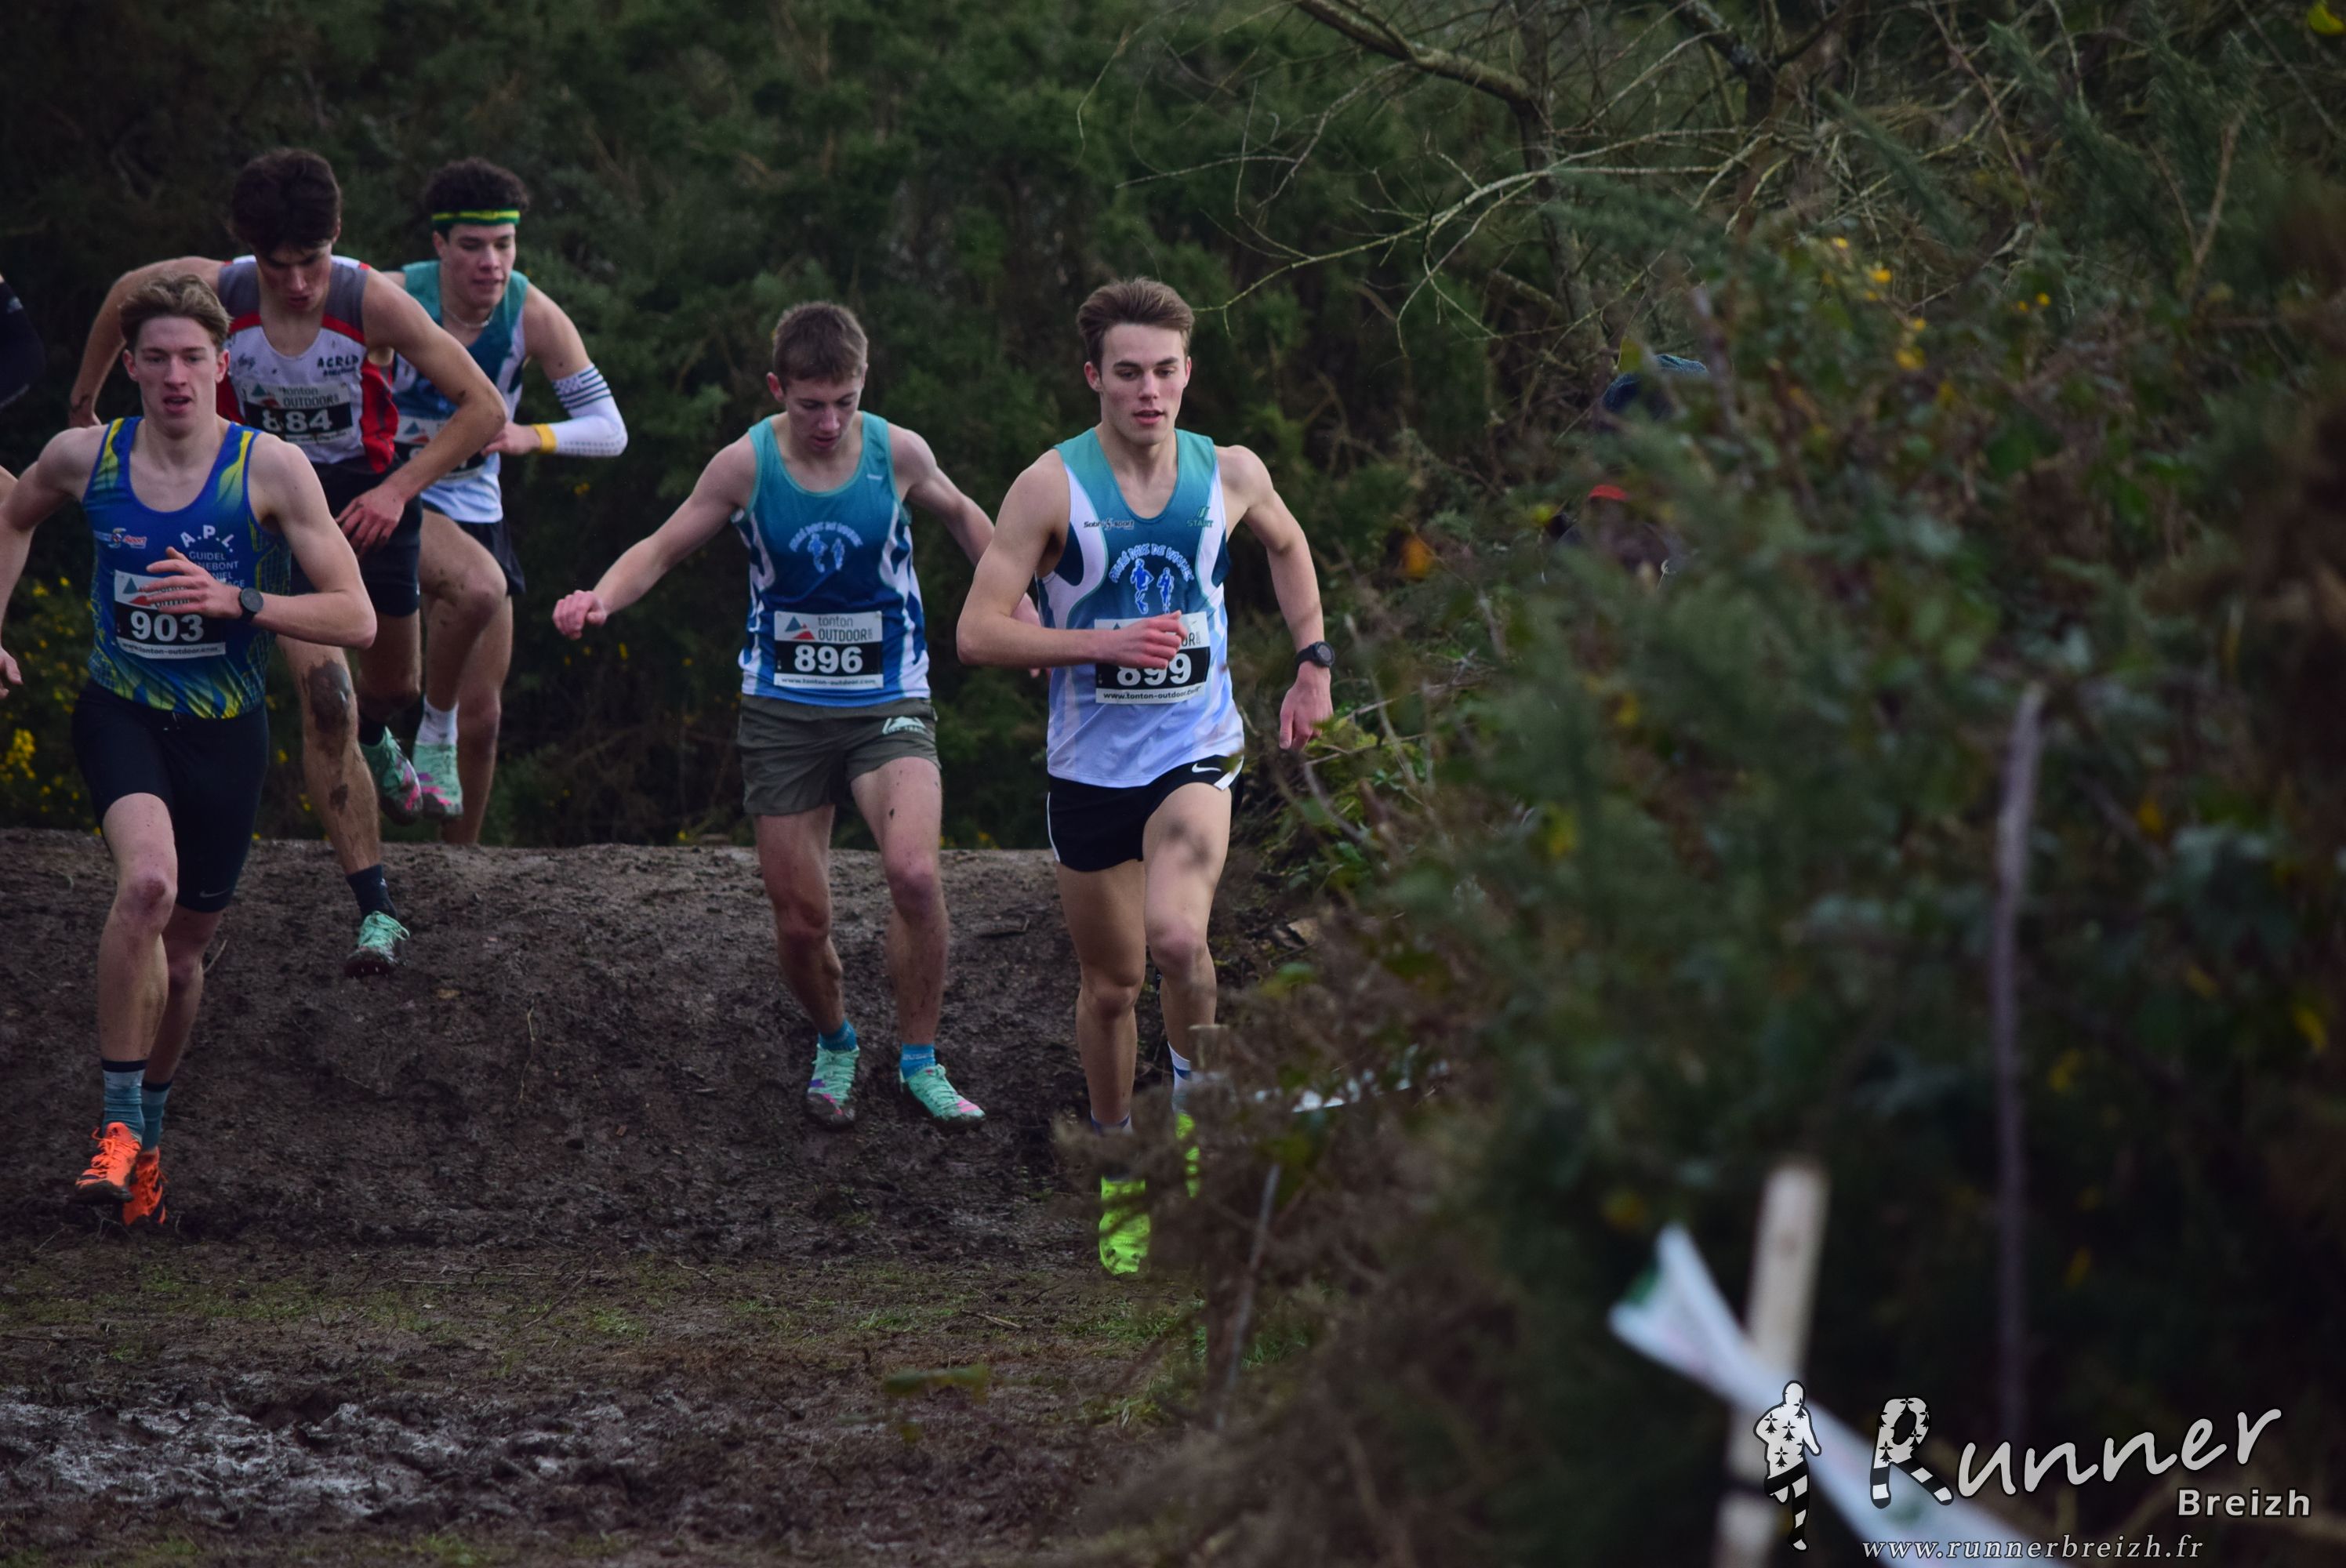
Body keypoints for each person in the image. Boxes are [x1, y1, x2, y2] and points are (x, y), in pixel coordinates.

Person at [555, 301, 1036, 1127]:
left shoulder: (898, 452)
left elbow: (964, 516)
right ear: (779, 389)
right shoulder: (744, 465)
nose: (829, 421)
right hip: (783, 708)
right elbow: (663, 547)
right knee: (802, 921)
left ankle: (920, 1059)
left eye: (845, 401)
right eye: (811, 404)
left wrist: (1015, 607)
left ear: (863, 384)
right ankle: (836, 1040)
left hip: (888, 698)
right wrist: (601, 597)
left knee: (915, 874)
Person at [956, 277, 1334, 1272]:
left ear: (1187, 373)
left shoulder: (1231, 471)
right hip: (1089, 768)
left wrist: (1314, 660)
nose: (1149, 391)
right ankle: (1119, 1163)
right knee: (1113, 985)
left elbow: (1289, 544)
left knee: (1177, 936)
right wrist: (1098, 642)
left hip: (1194, 749)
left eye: (1165, 371)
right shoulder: (1050, 488)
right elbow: (977, 631)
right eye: (1128, 373)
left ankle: (1198, 1146)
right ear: (1093, 376)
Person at [67, 149, 504, 975]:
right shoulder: (221, 289)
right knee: (328, 699)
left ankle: (384, 735)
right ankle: (376, 909)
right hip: (262, 498)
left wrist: (398, 490)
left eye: (313, 261)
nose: (298, 284)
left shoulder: (371, 299)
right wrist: (82, 402)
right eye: (279, 266)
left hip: (363, 499)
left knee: (390, 689)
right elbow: (128, 292)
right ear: (249, 251)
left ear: (337, 237)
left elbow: (481, 406)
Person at [0, 274, 375, 1224]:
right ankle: (117, 1123)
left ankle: (149, 1147)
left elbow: (357, 615)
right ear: (130, 366)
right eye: (157, 358)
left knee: (186, 953)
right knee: (146, 886)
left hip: (226, 732)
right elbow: (11, 514)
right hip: (121, 712)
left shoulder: (270, 469)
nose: (174, 376)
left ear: (222, 365)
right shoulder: (85, 458)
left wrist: (239, 600)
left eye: (192, 358)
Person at [380, 158, 628, 840]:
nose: (491, 263)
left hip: (476, 511)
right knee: (380, 696)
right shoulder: (391, 297)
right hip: (393, 499)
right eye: (472, 246)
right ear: (439, 245)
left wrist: (529, 435)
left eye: (504, 244)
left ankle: (459, 863)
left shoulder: (532, 314)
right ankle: (365, 855)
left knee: (484, 719)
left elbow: (610, 430)